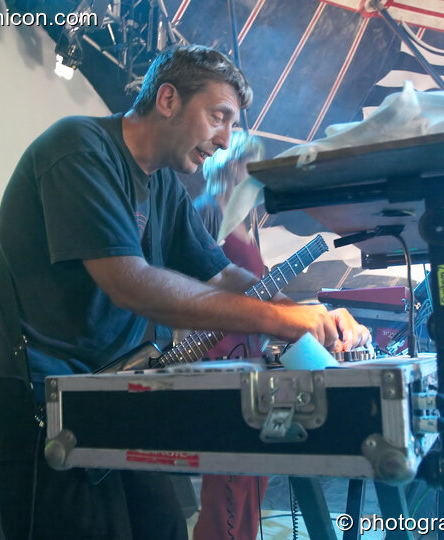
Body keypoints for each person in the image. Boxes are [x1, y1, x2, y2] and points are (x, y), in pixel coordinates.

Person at [0, 44, 370, 540]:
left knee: (161, 527)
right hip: (33, 383)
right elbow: (130, 284)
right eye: (218, 117)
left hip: (114, 382)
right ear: (167, 100)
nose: (225, 141)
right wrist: (284, 323)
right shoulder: (77, 149)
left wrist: (305, 313)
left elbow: (223, 275)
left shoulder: (161, 187)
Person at [191, 132, 269, 540]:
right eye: (248, 164)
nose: (255, 174)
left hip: (250, 355)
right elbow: (189, 286)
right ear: (229, 165)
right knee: (227, 477)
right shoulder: (206, 211)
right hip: (217, 355)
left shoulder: (249, 222)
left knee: (256, 472)